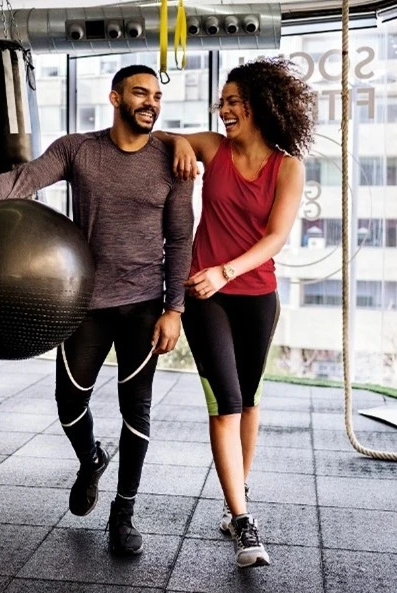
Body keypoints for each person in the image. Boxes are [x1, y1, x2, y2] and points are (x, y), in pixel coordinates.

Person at [0, 65, 194, 557]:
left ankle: (123, 513)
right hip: (86, 301)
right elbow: (23, 179)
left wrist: (174, 308)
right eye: (140, 93)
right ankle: (91, 457)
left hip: (143, 304)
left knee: (136, 409)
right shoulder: (79, 149)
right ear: (115, 98)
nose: (151, 103)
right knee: (69, 403)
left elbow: (181, 239)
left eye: (158, 96)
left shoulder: (172, 161)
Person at [155, 57, 317, 568]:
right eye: (221, 103)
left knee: (248, 401)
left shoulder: (288, 165)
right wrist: (181, 143)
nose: (224, 110)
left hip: (257, 295)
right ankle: (244, 522)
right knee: (224, 403)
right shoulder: (213, 148)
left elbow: (276, 238)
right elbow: (158, 137)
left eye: (233, 102)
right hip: (206, 295)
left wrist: (229, 269)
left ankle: (235, 497)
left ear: (260, 105)